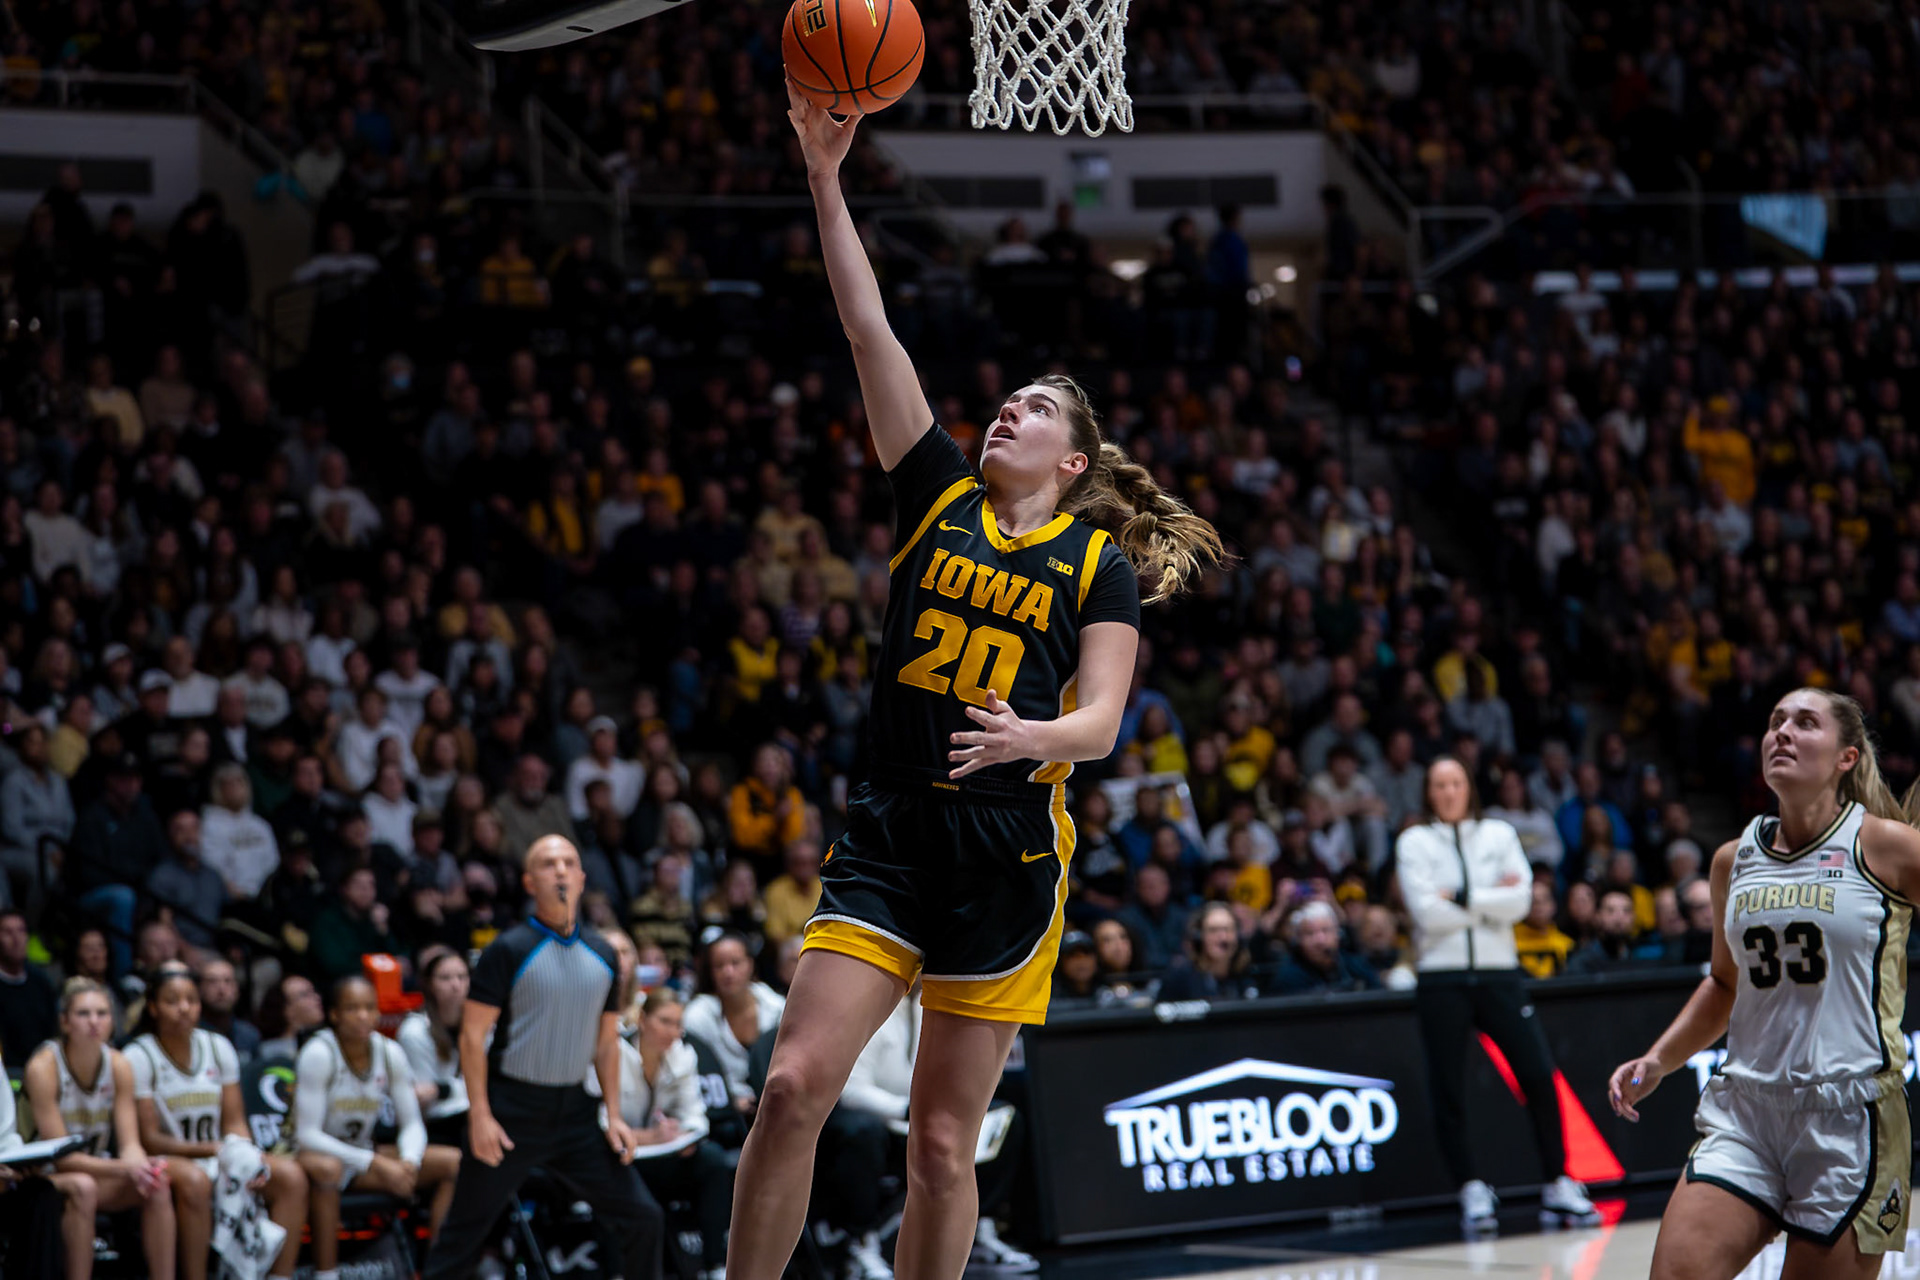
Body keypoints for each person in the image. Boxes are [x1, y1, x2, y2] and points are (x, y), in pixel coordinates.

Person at [728, 83, 1221, 1280]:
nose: (1009, 411)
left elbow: (1101, 724)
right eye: (1008, 400)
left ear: (1076, 461)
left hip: (1008, 851)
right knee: (791, 1085)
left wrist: (1027, 738)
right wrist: (824, 175)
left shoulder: (1098, 564)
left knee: (943, 1148)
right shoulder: (936, 491)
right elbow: (870, 332)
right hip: (893, 828)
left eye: (1036, 409)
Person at [1610, 689, 1920, 1279]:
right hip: (1747, 1112)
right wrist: (1659, 1060)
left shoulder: (1885, 846)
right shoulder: (1733, 860)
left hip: (1850, 1117)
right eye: (1776, 721)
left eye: (1805, 723)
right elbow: (1724, 985)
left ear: (1846, 757)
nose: (1783, 732)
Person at [421, 835, 662, 1280]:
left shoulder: (604, 954)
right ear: (530, 882)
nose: (561, 870)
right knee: (460, 1240)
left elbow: (606, 1043)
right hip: (511, 1111)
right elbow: (472, 1038)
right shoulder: (507, 949)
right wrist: (480, 1115)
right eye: (549, 864)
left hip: (575, 1114)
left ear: (582, 877)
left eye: (569, 862)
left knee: (645, 1217)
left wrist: (614, 1115)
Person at [1397, 756, 1599, 1235]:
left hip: (1498, 973)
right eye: (1439, 784)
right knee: (1448, 1088)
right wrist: (1490, 900)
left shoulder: (1498, 835)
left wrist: (1459, 897)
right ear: (1428, 792)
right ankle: (1470, 1187)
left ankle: (1558, 1180)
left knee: (1538, 1074)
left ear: (1469, 787)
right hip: (1441, 977)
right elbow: (1425, 913)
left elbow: (1522, 901)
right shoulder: (1414, 841)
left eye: (1456, 783)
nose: (1448, 792)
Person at [126, 968, 309, 1279]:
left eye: (191, 1000)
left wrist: (247, 1158)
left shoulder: (217, 1046)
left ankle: (280, 1276)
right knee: (196, 1180)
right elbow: (149, 1138)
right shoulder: (138, 1055)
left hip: (217, 1153)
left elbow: (235, 1122)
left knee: (291, 1177)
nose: (184, 1008)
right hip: (167, 1156)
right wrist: (210, 1150)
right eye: (172, 1001)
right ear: (153, 1007)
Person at [294, 975, 461, 1277]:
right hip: (314, 1158)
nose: (363, 1016)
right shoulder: (318, 1053)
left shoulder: (389, 1051)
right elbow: (306, 1135)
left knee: (453, 1162)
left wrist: (409, 1162)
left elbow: (412, 1123)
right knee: (329, 1168)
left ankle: (440, 1270)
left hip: (360, 1155)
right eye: (352, 1008)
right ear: (334, 1014)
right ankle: (326, 1274)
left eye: (369, 1007)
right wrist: (376, 1164)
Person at [24, 977, 177, 1280]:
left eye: (102, 1013)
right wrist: (126, 1168)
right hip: (41, 1177)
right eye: (84, 1014)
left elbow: (130, 1143)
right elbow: (61, 1159)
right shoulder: (43, 1067)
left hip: (96, 1170)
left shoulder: (118, 1064)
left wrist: (142, 1168)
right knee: (84, 1186)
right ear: (65, 1022)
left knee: (157, 1184)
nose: (94, 1022)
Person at [592, 989, 734, 1280]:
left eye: (678, 1024)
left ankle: (715, 1266)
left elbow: (696, 1117)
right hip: (624, 1159)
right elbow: (602, 1124)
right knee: (605, 1165)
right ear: (643, 1020)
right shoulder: (614, 1053)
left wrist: (683, 1135)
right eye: (665, 1021)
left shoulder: (683, 1055)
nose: (673, 1031)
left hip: (667, 1155)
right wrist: (653, 1136)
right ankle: (617, 1271)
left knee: (713, 1161)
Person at [398, 949, 472, 1144]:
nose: (456, 985)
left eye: (462, 977)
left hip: (475, 1112)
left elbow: (490, 1084)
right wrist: (450, 1090)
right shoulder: (414, 1030)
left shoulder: (483, 1026)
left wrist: (443, 1089)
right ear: (429, 984)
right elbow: (425, 1098)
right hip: (437, 1122)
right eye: (445, 978)